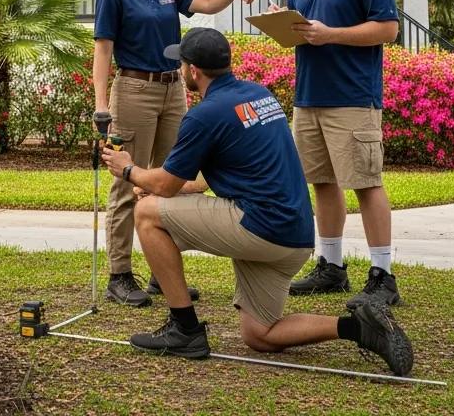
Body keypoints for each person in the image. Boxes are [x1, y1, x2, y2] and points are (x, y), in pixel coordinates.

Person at [101, 27, 413, 376]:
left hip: (261, 228)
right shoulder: (256, 95)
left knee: (146, 213)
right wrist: (154, 183)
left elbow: (168, 185)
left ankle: (184, 329)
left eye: (183, 64)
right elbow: (199, 179)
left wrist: (128, 170)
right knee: (259, 334)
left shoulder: (205, 114)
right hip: (294, 238)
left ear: (193, 71)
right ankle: (358, 328)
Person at [92, 0, 256, 307]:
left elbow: (202, 3)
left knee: (171, 180)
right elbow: (102, 51)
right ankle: (119, 275)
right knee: (125, 182)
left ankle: (160, 274)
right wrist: (101, 104)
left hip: (173, 89)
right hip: (134, 89)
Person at [280, 0, 402, 308]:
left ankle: (383, 275)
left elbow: (387, 29)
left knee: (366, 183)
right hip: (308, 96)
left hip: (352, 98)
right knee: (322, 182)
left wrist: (331, 33)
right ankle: (331, 267)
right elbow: (304, 31)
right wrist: (284, 23)